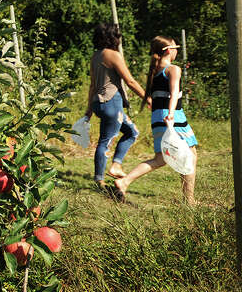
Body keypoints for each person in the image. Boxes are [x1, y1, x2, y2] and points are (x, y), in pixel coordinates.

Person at [115, 36, 197, 204]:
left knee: (160, 158)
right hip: (173, 116)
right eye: (176, 48)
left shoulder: (155, 70)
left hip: (158, 117)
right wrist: (172, 114)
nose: (177, 51)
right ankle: (189, 201)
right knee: (190, 154)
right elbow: (174, 94)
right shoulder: (173, 69)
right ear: (168, 50)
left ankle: (124, 181)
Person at [84, 23, 149, 189]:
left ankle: (116, 165)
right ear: (112, 37)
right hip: (111, 103)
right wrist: (147, 98)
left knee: (132, 132)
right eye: (117, 35)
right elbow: (130, 81)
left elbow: (92, 85)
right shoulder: (113, 55)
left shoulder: (96, 56)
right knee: (105, 141)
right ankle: (100, 180)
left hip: (99, 103)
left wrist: (89, 109)